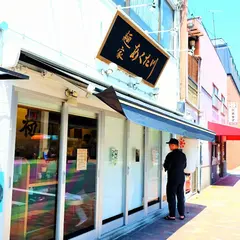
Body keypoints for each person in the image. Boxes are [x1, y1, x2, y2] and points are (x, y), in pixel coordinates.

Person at [163, 138, 187, 220]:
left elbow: (166, 166)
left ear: (173, 145)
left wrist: (166, 167)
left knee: (171, 196)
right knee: (180, 196)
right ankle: (182, 214)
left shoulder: (170, 155)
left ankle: (172, 215)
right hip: (181, 178)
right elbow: (184, 166)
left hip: (172, 178)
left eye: (170, 145)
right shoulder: (183, 155)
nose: (169, 146)